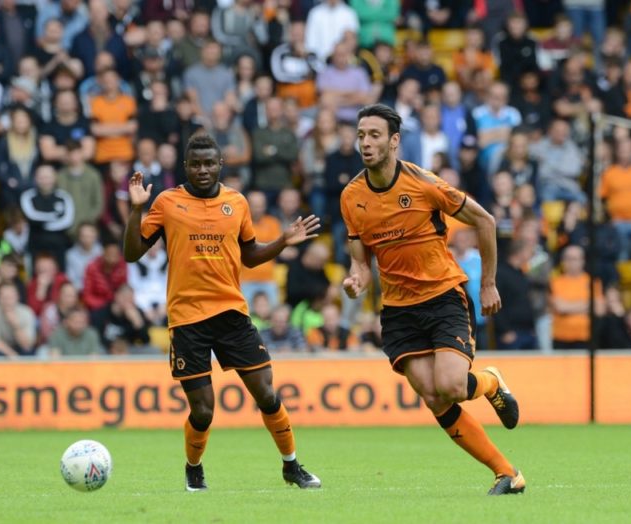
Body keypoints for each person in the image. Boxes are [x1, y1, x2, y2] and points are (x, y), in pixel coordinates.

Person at [341, 104, 524, 496]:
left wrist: (488, 283)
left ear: (394, 141)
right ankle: (506, 473)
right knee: (432, 396)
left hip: (443, 296)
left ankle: (490, 382)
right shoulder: (351, 196)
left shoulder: (424, 184)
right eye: (360, 135)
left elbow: (485, 220)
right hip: (398, 309)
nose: (365, 143)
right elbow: (360, 260)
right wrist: (356, 280)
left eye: (374, 135)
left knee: (451, 386)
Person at [123, 133, 321, 491]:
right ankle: (193, 467)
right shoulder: (167, 202)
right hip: (187, 318)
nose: (202, 170)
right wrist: (136, 209)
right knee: (203, 411)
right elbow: (132, 253)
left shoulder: (237, 202)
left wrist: (281, 241)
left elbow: (250, 255)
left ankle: (291, 466)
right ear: (186, 166)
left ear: (220, 165)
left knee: (266, 393)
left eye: (209, 164)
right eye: (196, 164)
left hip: (231, 312)